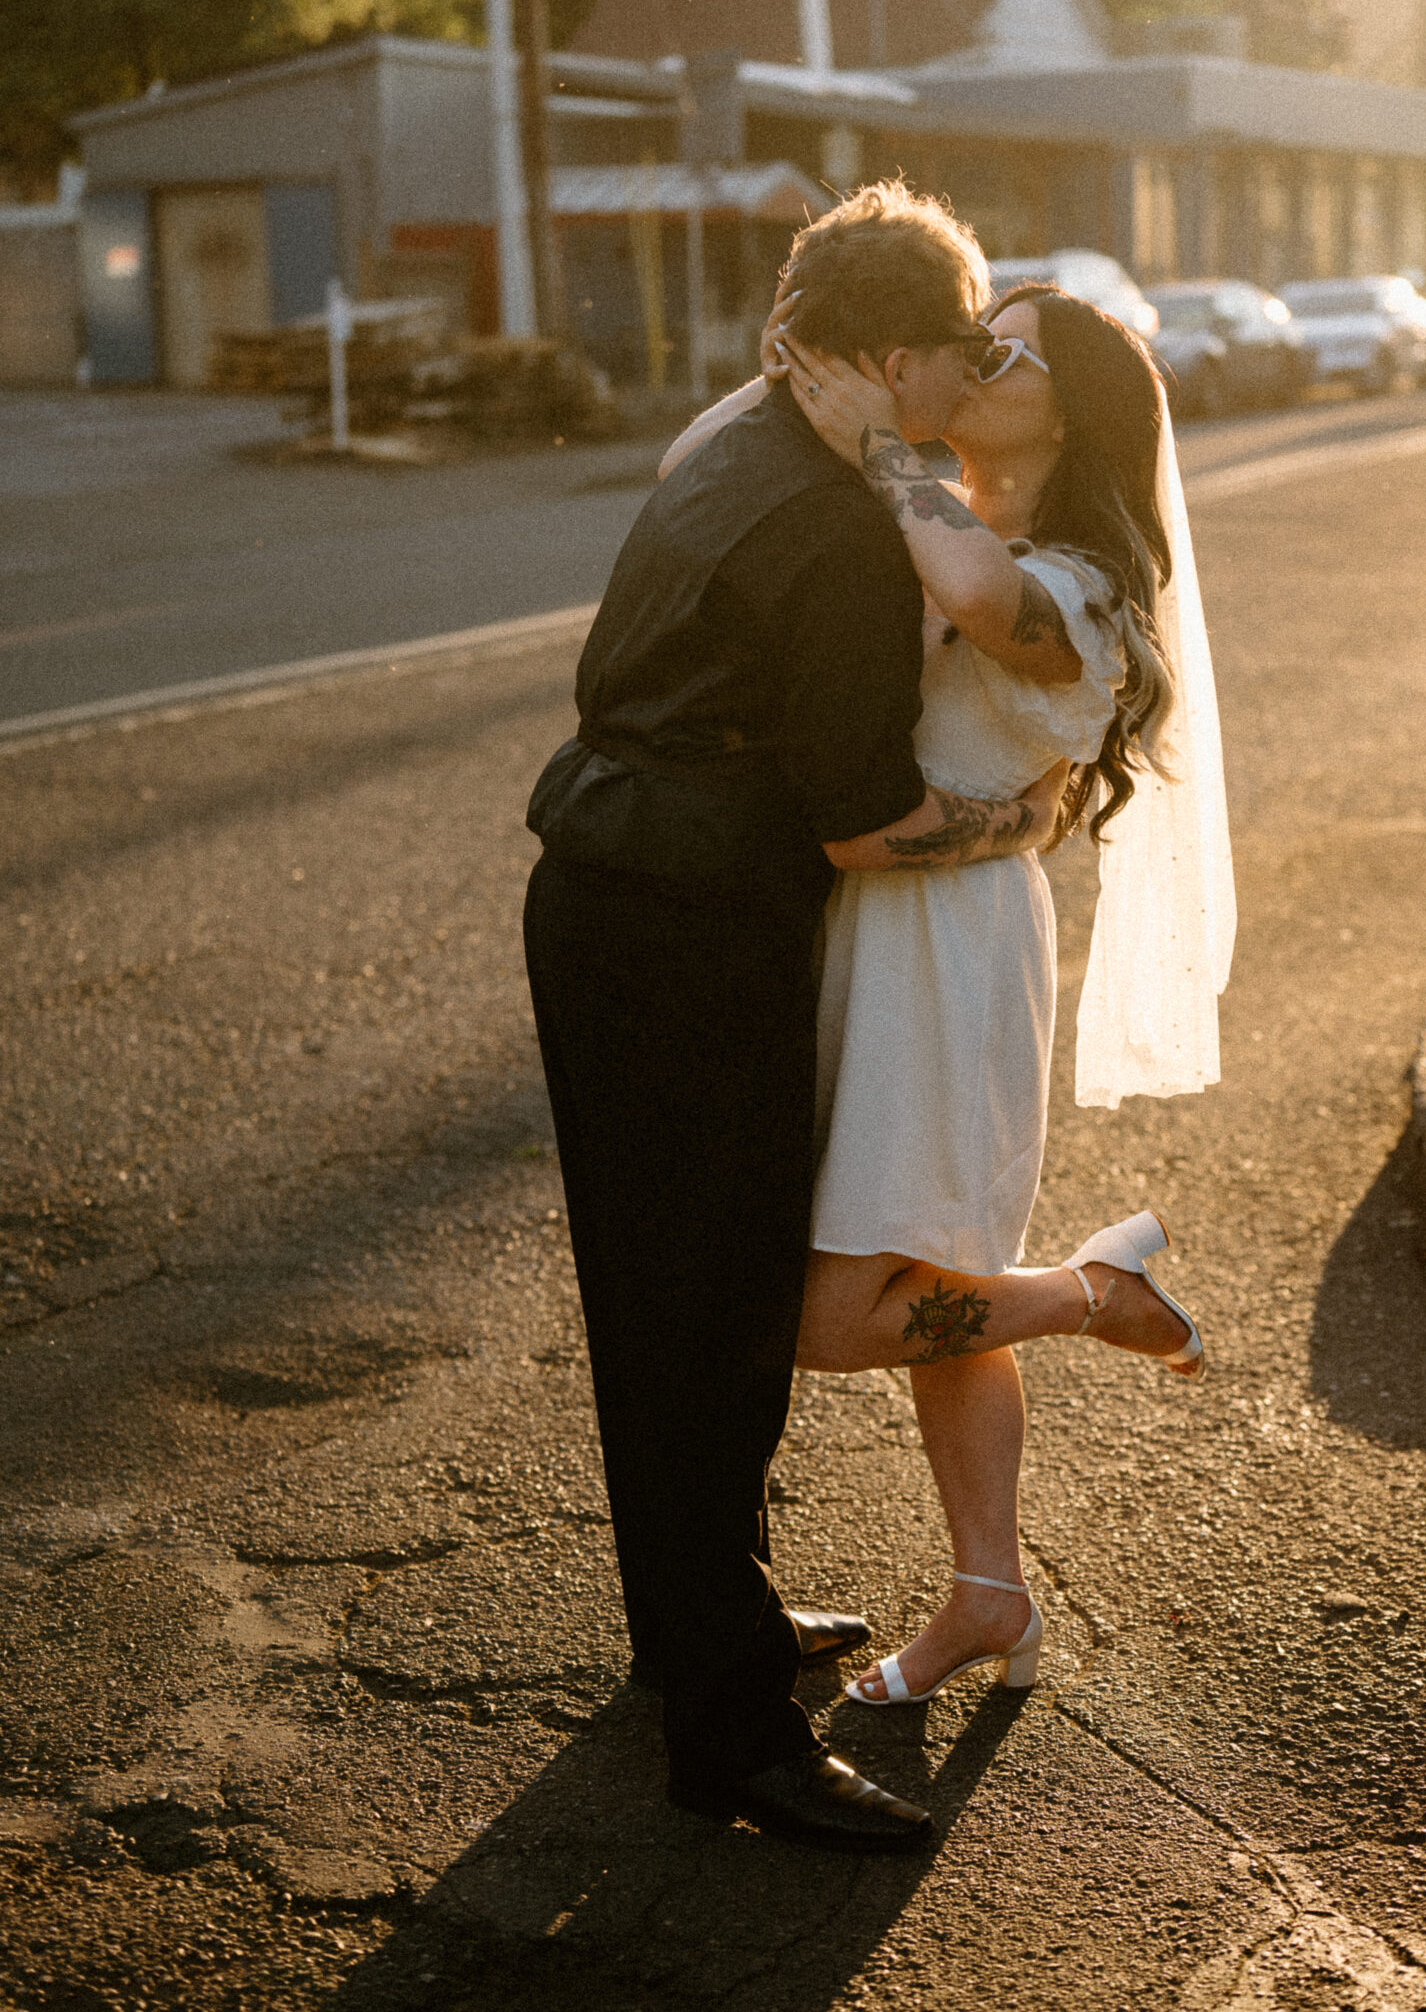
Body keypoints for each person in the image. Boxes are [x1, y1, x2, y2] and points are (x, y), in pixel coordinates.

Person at [523, 184, 1066, 1852]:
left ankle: (705, 1639)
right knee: (711, 1316)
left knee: (664, 1300)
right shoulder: (837, 530)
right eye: (960, 350)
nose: (971, 378)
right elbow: (862, 818)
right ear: (891, 354)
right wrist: (1023, 826)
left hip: (606, 889)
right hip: (689, 924)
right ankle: (732, 1739)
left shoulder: (737, 427)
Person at [671, 276, 1235, 1713]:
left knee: (840, 1313)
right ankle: (990, 1589)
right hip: (860, 922)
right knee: (938, 1282)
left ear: (1076, 409)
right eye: (974, 336)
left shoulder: (1078, 580)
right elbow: (693, 464)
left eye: (1010, 352)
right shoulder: (938, 516)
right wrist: (804, 354)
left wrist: (885, 444)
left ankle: (1096, 1293)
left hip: (949, 952)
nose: (977, 361)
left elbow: (986, 606)